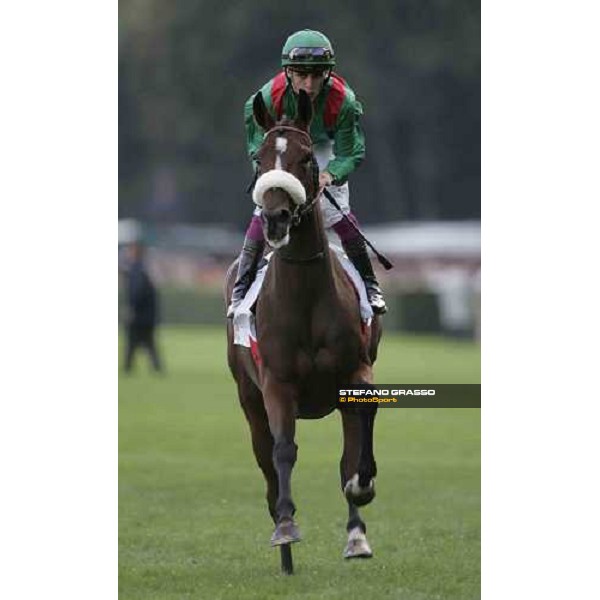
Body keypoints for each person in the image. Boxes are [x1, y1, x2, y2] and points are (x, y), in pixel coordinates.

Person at [227, 29, 387, 317]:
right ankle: (242, 285)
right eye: (302, 75)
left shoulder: (343, 101)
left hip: (323, 149)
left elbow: (351, 152)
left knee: (338, 214)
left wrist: (330, 175)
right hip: (283, 147)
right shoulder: (264, 100)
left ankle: (370, 284)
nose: (309, 84)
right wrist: (269, 172)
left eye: (317, 75)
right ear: (288, 72)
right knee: (265, 209)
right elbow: (256, 146)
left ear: (328, 74)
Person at [123, 242, 164, 373]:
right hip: (147, 316)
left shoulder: (136, 270)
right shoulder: (144, 269)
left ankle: (127, 368)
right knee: (147, 344)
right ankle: (155, 368)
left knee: (133, 343)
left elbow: (136, 292)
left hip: (139, 316)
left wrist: (131, 309)